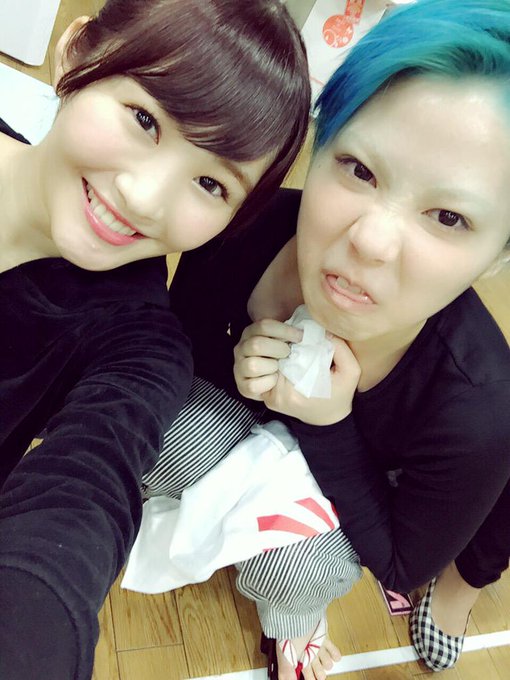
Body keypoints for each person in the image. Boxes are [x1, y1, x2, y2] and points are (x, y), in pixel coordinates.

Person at [139, 0, 510, 678]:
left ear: (497, 256)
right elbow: (178, 345)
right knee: (146, 424)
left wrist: (329, 422)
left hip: (366, 492)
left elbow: (398, 561)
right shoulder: (243, 227)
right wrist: (238, 364)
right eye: (359, 170)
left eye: (449, 216)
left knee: (299, 566)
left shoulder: (479, 405)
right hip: (252, 425)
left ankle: (298, 627)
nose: (370, 241)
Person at [0, 1, 311, 679]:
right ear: (77, 53)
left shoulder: (140, 349)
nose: (144, 198)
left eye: (210, 183)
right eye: (145, 120)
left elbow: (81, 505)